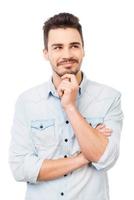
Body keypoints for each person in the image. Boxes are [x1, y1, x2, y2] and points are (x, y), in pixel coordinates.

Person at [9, 12, 123, 200]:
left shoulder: (109, 98)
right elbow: (20, 168)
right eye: (58, 47)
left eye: (74, 46)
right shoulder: (26, 102)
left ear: (83, 50)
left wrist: (70, 106)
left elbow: (105, 159)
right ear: (46, 53)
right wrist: (83, 157)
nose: (67, 55)